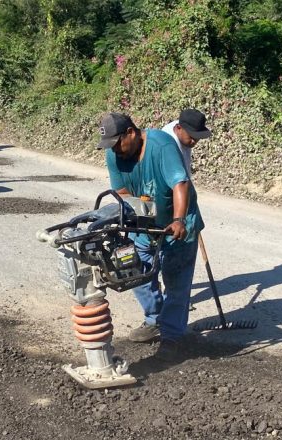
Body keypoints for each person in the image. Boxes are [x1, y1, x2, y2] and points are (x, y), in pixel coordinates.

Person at [97, 112, 204, 361]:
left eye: (117, 144)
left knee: (176, 281)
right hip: (144, 224)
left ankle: (172, 335)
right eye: (110, 146)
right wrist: (135, 212)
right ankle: (155, 319)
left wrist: (178, 220)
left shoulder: (161, 144)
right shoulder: (115, 153)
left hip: (178, 223)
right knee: (136, 272)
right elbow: (121, 191)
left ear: (131, 133)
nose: (114, 150)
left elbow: (180, 184)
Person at [161, 108, 212, 178]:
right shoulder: (168, 146)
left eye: (197, 137)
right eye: (191, 136)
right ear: (178, 128)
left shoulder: (182, 129)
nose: (194, 141)